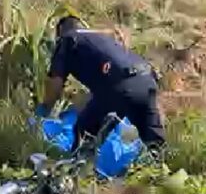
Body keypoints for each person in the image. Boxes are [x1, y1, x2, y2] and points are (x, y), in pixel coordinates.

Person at [36, 16, 165, 150]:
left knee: (84, 133)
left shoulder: (68, 39)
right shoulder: (103, 39)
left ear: (61, 31)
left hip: (118, 85)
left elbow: (55, 84)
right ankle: (163, 161)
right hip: (147, 79)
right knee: (154, 144)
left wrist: (44, 110)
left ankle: (81, 162)